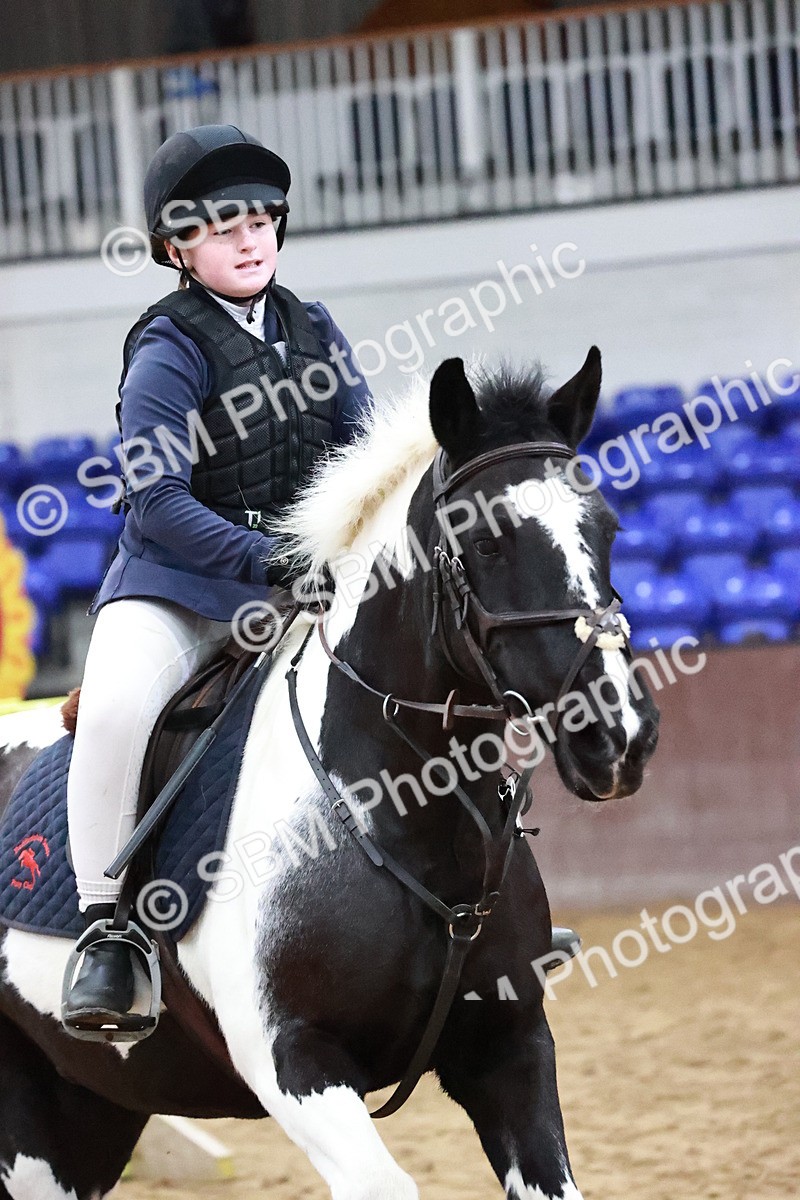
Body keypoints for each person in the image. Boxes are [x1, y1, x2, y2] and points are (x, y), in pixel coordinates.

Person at [62, 124, 373, 1036]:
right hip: (179, 594)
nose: (249, 239)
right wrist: (267, 559)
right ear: (176, 247)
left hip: (296, 590)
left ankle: (477, 892)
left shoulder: (314, 329)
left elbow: (360, 456)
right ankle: (105, 932)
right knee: (117, 709)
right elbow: (155, 499)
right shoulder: (169, 347)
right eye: (221, 225)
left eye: (261, 220)